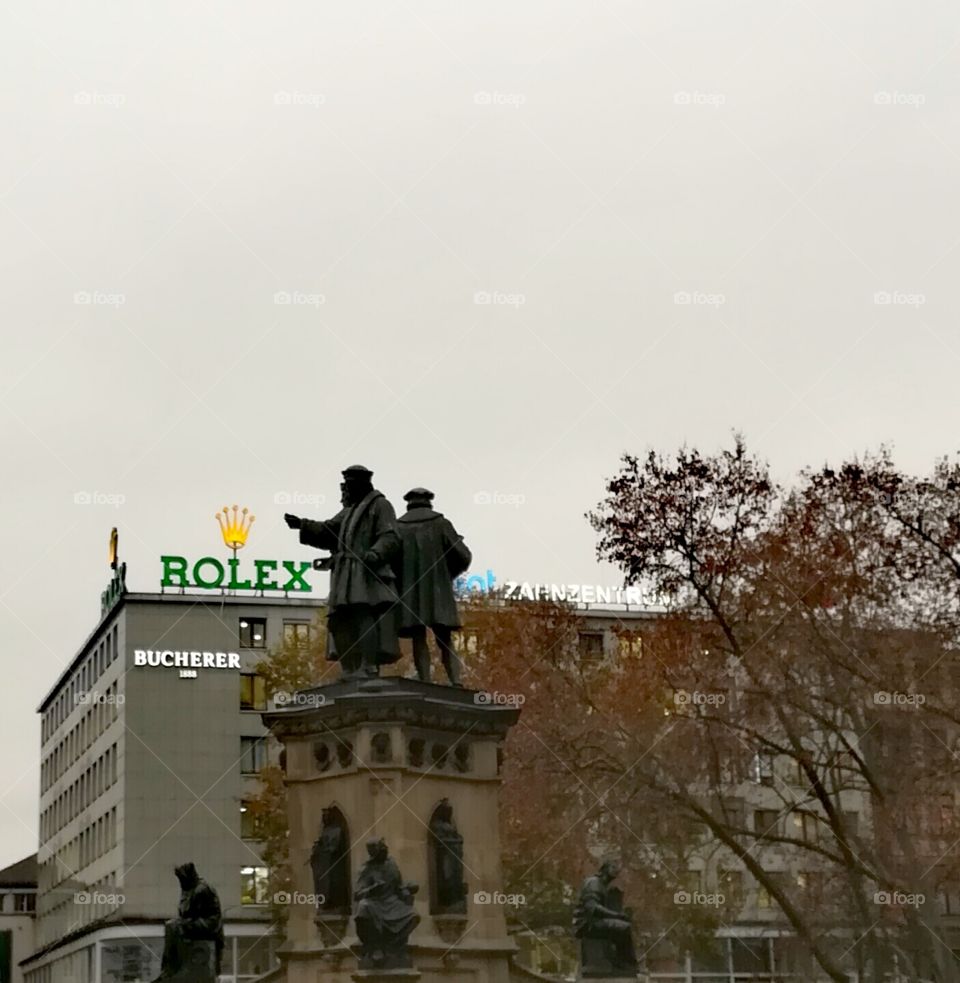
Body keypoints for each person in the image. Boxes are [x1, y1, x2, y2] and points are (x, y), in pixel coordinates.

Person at [285, 466, 401, 677]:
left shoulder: (380, 505)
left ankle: (368, 665)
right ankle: (349, 668)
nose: (345, 489)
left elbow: (390, 536)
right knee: (338, 621)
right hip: (346, 573)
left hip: (366, 572)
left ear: (361, 484)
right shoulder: (351, 509)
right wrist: (302, 524)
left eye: (348, 484)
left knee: (363, 615)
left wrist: (375, 554)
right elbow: (329, 530)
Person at [396, 488, 472, 684]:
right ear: (429, 502)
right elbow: (464, 556)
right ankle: (455, 681)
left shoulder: (398, 528)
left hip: (411, 592)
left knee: (418, 637)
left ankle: (425, 681)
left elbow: (391, 562)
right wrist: (447, 575)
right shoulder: (441, 524)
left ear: (409, 503)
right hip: (439, 591)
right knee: (445, 638)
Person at [354, 838, 420, 968]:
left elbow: (399, 886)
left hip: (392, 901)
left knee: (414, 916)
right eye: (382, 849)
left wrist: (408, 889)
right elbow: (357, 894)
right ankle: (375, 946)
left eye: (385, 848)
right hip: (374, 902)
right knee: (363, 907)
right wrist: (372, 889)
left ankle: (393, 946)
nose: (385, 851)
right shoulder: (367, 869)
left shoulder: (391, 864)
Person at [154, 862, 224, 980]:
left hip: (208, 925)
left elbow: (188, 912)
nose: (180, 882)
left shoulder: (201, 889)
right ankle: (169, 967)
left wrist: (183, 919)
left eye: (181, 879)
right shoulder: (189, 889)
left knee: (174, 927)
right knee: (173, 926)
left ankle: (171, 968)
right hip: (197, 922)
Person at [573, 859, 637, 975]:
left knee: (623, 926)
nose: (616, 870)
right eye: (613, 867)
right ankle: (625, 963)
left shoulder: (603, 886)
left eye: (617, 869)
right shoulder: (593, 883)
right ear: (604, 869)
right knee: (624, 927)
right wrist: (617, 915)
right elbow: (593, 908)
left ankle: (620, 962)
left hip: (594, 921)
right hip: (586, 924)